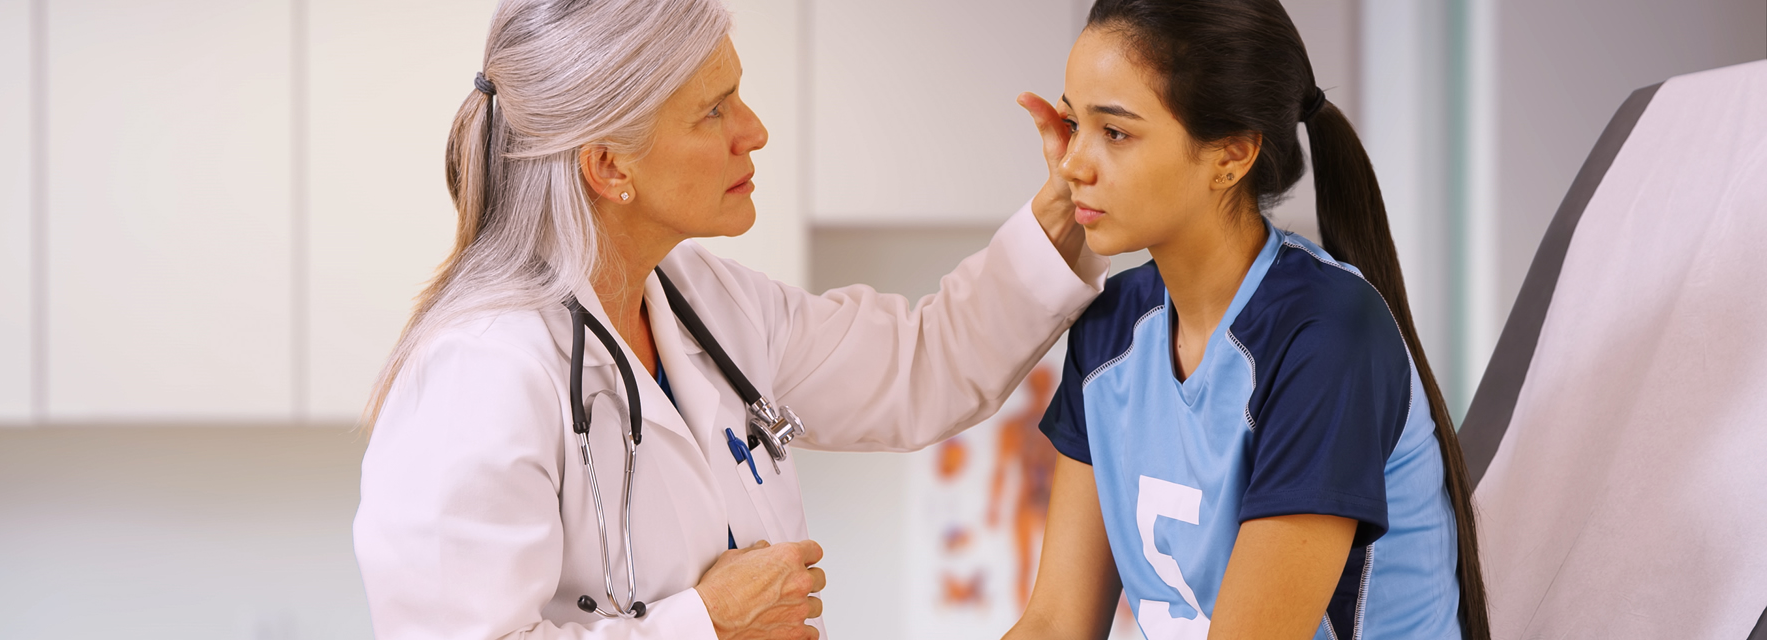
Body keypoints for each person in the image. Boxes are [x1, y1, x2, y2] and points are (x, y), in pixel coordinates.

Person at [349, 0, 1109, 638]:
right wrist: (705, 623)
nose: (754, 131)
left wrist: (1065, 210)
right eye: (713, 112)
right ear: (610, 165)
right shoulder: (480, 368)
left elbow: (924, 367)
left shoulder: (706, 303)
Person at [1003, 1, 1490, 639]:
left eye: (1114, 132)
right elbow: (1054, 624)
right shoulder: (1110, 332)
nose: (1071, 165)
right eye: (1073, 124)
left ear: (1231, 156)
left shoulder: (1325, 336)